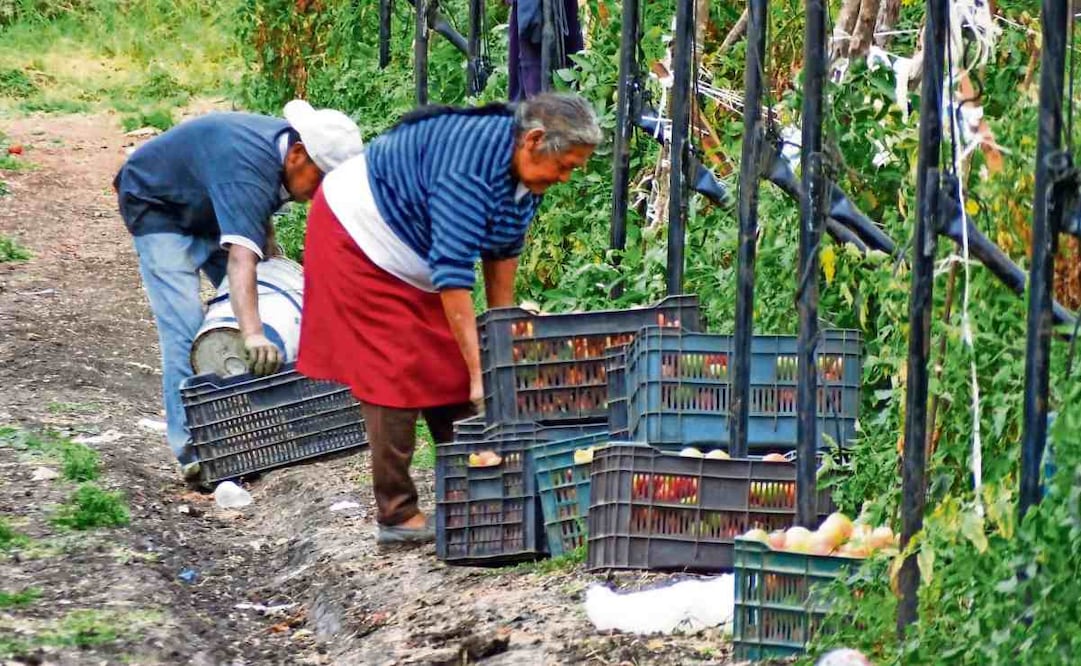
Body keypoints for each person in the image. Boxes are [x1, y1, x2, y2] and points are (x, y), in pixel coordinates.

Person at [296, 93, 602, 544]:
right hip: (357, 233)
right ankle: (396, 513)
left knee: (451, 367)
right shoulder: (468, 169)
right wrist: (480, 375)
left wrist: (498, 345)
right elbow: (453, 274)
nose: (565, 177)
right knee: (394, 369)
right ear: (534, 140)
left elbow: (503, 253)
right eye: (565, 166)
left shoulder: (527, 175)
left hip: (415, 248)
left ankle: (473, 495)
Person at [115, 101, 364, 481]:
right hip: (157, 203)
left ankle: (254, 428)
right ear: (298, 155)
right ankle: (196, 453)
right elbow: (241, 258)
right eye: (320, 180)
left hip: (208, 205)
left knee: (256, 308)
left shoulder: (280, 155)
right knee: (187, 330)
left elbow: (255, 214)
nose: (319, 194)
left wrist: (271, 260)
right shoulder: (250, 169)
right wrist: (253, 334)